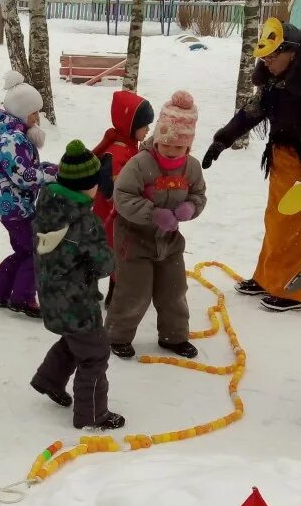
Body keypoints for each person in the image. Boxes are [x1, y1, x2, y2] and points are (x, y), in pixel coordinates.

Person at [203, 19, 301, 312]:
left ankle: (293, 291)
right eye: (264, 57)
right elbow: (253, 111)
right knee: (277, 224)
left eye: (272, 55)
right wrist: (222, 140)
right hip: (283, 162)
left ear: (292, 52)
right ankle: (268, 278)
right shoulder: (276, 78)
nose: (267, 62)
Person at [105, 91, 207, 360]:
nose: (172, 152)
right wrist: (152, 213)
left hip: (170, 240)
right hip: (134, 238)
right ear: (158, 140)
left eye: (179, 148)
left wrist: (191, 207)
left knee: (174, 291)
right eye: (166, 145)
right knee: (134, 292)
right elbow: (122, 196)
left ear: (188, 147)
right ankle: (117, 335)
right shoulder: (140, 164)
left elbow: (199, 194)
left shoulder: (192, 168)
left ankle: (174, 336)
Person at [32, 140, 125, 430]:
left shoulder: (48, 205)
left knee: (75, 341)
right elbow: (103, 264)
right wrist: (110, 258)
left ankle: (49, 380)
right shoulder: (85, 222)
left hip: (51, 293)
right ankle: (93, 414)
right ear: (88, 187)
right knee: (95, 354)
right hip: (77, 300)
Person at [0, 70, 58, 318]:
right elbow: (23, 176)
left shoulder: (15, 135)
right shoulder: (11, 139)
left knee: (24, 251)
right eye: (34, 113)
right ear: (21, 113)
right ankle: (23, 298)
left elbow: (24, 167)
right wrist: (48, 176)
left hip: (14, 206)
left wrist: (47, 168)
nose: (37, 118)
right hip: (15, 208)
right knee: (37, 252)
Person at [90, 90, 155, 307]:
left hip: (114, 215)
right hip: (111, 217)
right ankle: (112, 296)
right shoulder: (118, 153)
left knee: (113, 254)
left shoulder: (126, 146)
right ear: (130, 125)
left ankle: (109, 293)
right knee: (115, 254)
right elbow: (112, 189)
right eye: (144, 126)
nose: (148, 130)